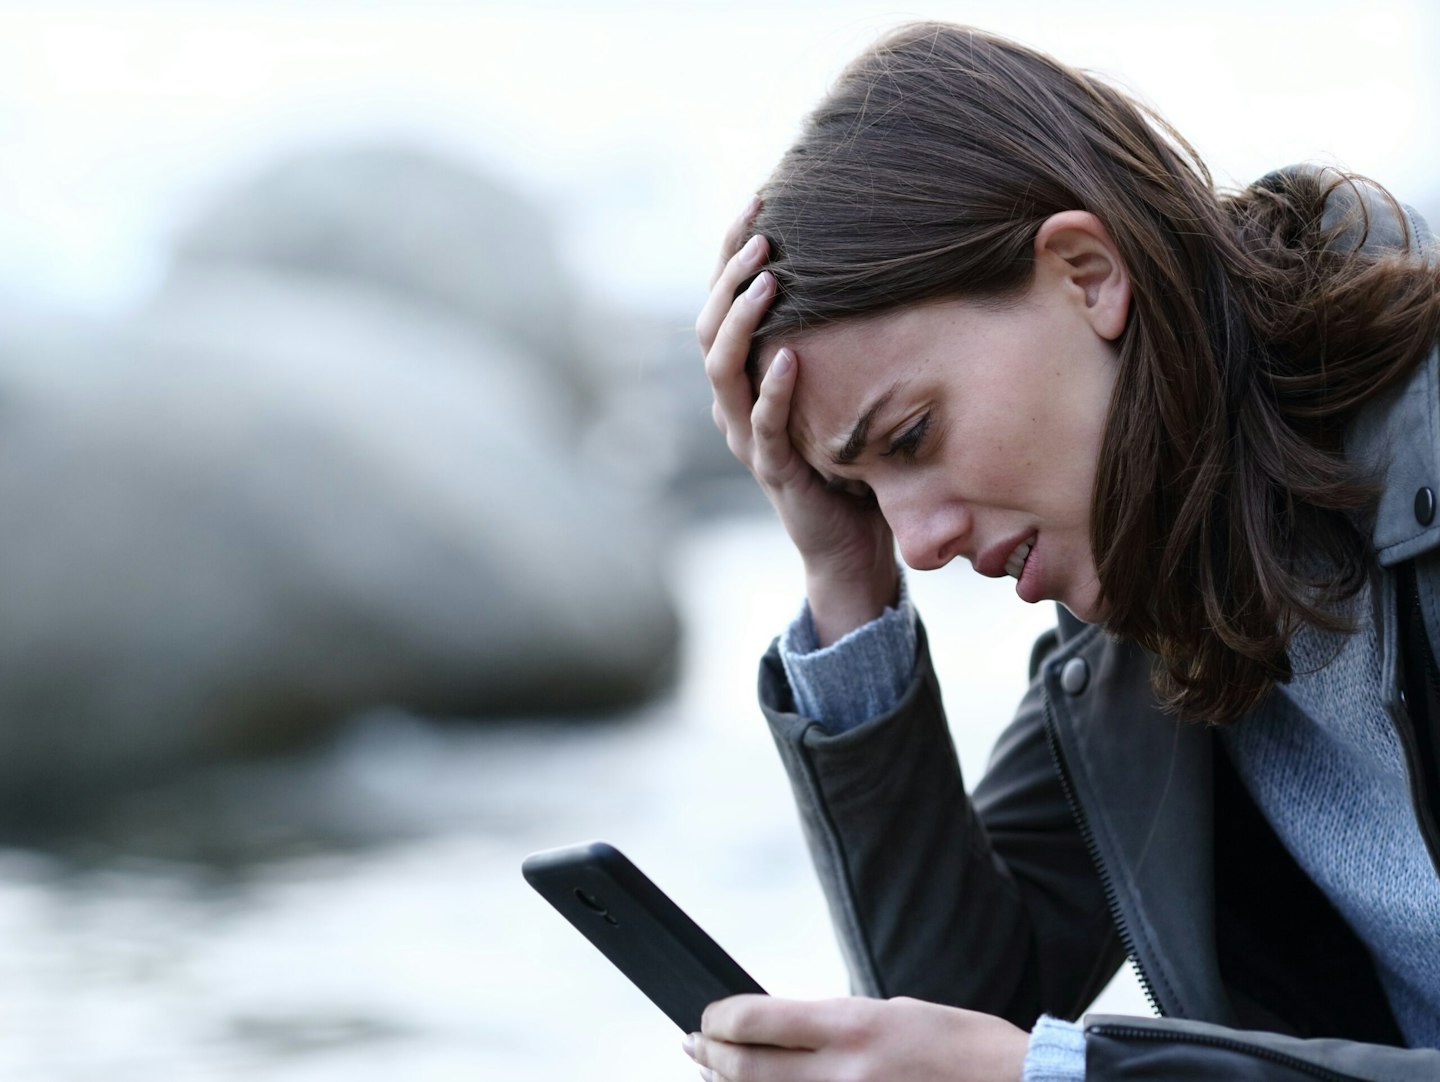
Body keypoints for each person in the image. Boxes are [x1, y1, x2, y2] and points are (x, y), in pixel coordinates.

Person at [685, 21, 1440, 1082]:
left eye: (912, 436)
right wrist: (843, 574)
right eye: (866, 488)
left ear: (1086, 274)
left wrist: (1063, 1073)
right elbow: (959, 1009)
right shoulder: (1147, 599)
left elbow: (1008, 1059)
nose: (924, 542)